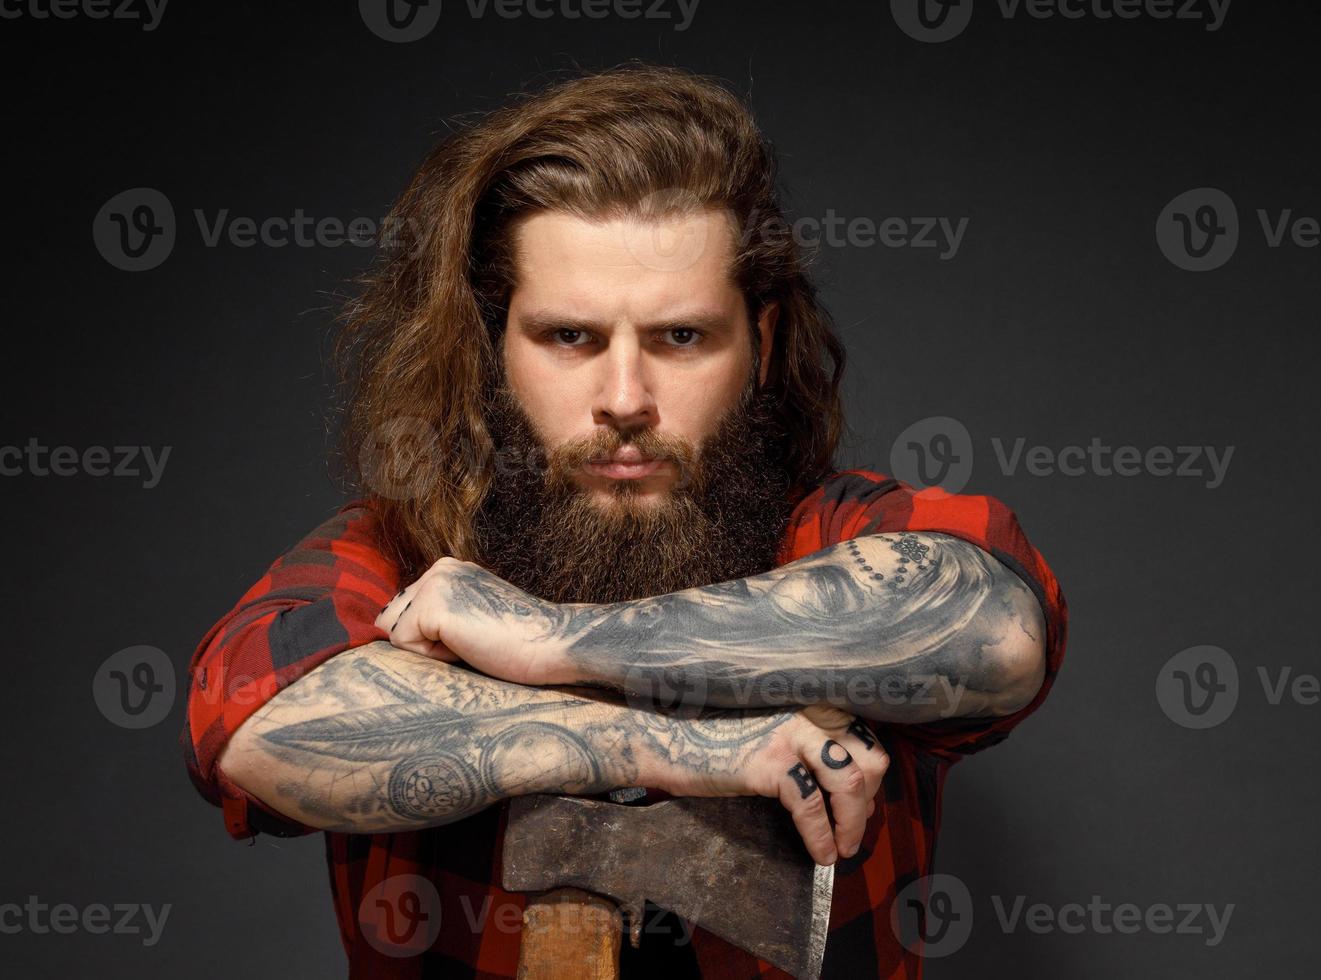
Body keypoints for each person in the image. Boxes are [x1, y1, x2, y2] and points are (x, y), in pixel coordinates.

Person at [180, 62, 1068, 979]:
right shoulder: (407, 559)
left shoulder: (840, 535)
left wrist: (548, 640)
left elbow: (994, 631)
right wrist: (695, 744)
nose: (625, 398)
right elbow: (249, 720)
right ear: (494, 345)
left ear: (760, 346)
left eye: (681, 338)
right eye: (571, 337)